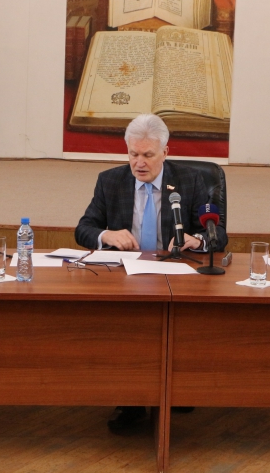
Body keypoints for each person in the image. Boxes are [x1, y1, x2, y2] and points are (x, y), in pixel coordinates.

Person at [75, 113, 228, 432]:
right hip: (125, 275)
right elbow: (84, 229)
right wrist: (106, 235)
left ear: (165, 152)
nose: (139, 163)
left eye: (147, 155)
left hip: (175, 272)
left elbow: (218, 233)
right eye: (133, 154)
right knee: (126, 328)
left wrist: (197, 239)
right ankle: (131, 401)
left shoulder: (190, 180)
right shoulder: (110, 180)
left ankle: (175, 389)